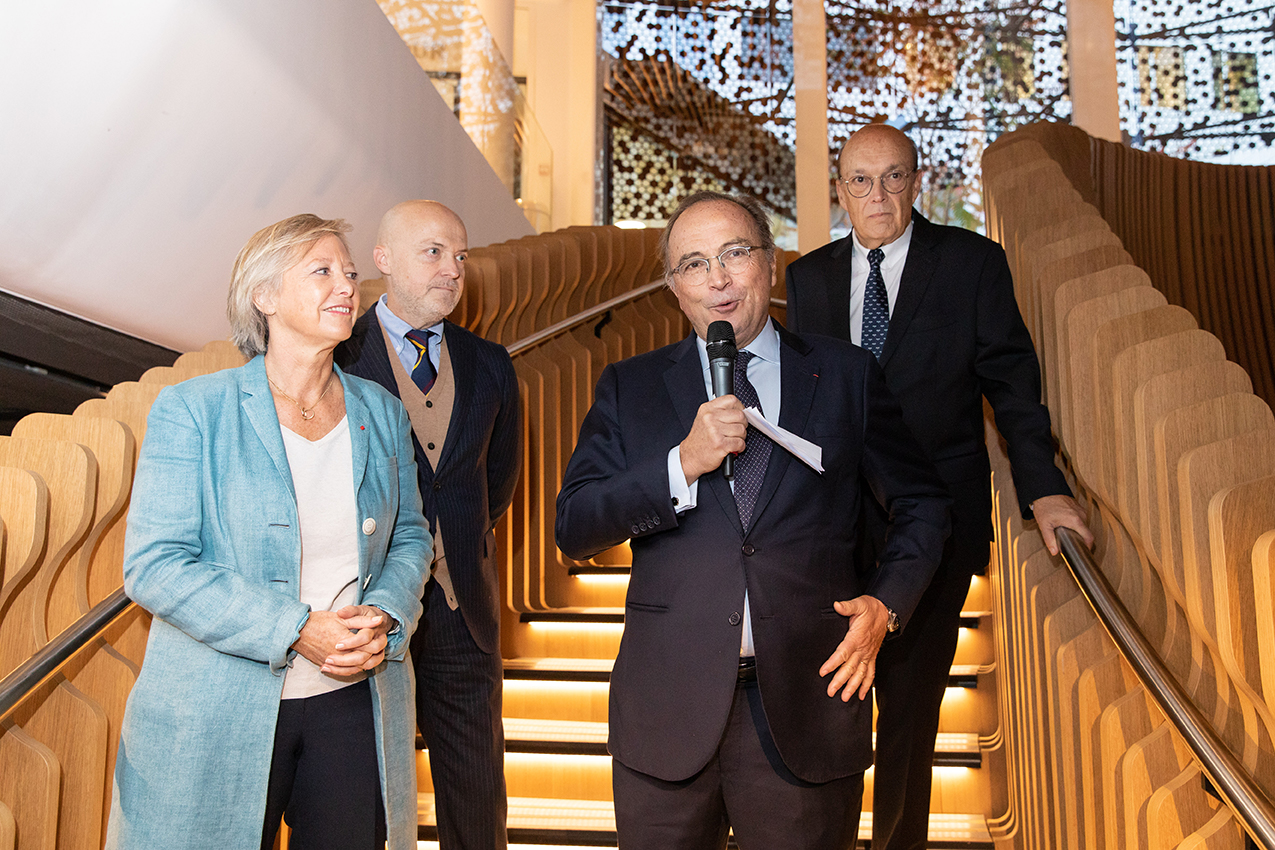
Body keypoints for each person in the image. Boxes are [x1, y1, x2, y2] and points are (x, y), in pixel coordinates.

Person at [555, 191, 951, 849]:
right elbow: (575, 526)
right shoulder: (630, 386)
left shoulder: (846, 375)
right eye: (694, 263)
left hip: (811, 701)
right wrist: (682, 463)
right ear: (674, 288)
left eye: (734, 253)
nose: (717, 278)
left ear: (769, 263)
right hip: (666, 712)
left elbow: (923, 504)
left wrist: (887, 605)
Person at [785, 123, 1094, 850]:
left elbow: (1011, 385)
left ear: (916, 182)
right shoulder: (808, 278)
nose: (878, 195)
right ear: (839, 191)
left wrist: (1043, 487)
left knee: (910, 707)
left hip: (937, 526)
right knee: (829, 699)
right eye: (861, 180)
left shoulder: (970, 264)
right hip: (832, 526)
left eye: (894, 177)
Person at [106, 214, 433, 850]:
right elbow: (156, 565)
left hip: (356, 702)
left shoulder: (381, 410)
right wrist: (295, 628)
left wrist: (388, 614)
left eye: (350, 272)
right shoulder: (193, 410)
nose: (347, 285)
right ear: (264, 296)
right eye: (322, 271)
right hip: (217, 707)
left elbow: (411, 535)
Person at [337, 200, 521, 850]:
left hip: (461, 607)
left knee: (476, 793)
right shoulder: (338, 354)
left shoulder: (490, 362)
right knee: (360, 794)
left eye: (460, 255)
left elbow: (497, 482)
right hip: (362, 610)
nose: (452, 269)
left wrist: (451, 553)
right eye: (433, 252)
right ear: (383, 259)